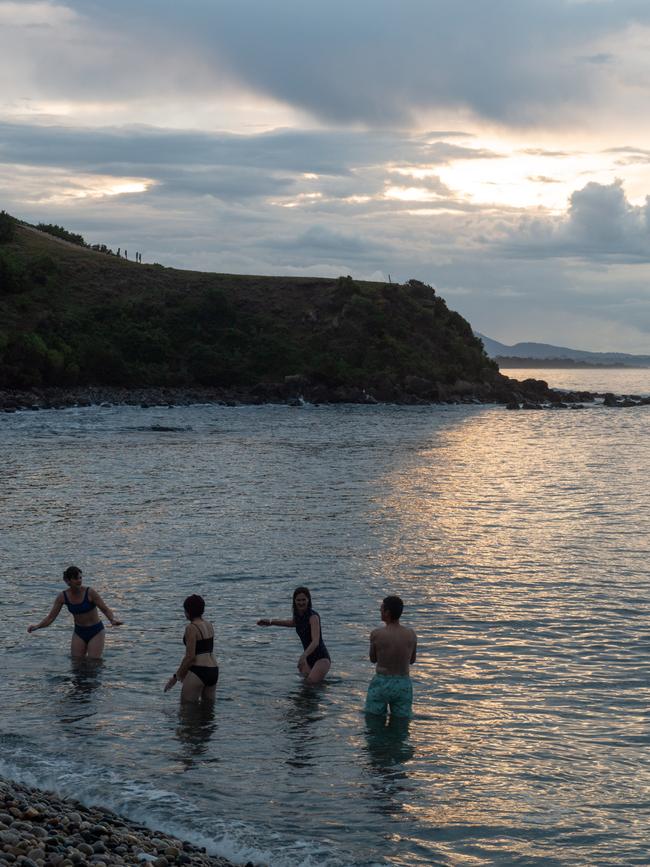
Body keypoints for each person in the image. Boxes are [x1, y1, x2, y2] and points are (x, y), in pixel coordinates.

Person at [27, 565, 122, 658]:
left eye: (80, 577)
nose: (79, 580)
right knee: (76, 663)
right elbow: (51, 618)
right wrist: (37, 626)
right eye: (76, 578)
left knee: (93, 663)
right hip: (79, 632)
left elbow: (105, 609)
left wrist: (112, 619)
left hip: (96, 631)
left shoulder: (89, 592)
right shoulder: (63, 596)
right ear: (68, 581)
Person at [257, 586, 331, 684]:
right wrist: (271, 622)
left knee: (309, 684)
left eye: (304, 600)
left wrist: (303, 656)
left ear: (308, 600)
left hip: (321, 658)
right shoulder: (299, 616)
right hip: (308, 658)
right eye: (298, 600)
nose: (301, 603)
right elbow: (291, 623)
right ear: (294, 601)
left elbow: (315, 641)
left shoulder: (313, 617)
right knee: (306, 689)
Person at [365, 595, 417, 719]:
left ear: (387, 613)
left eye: (381, 609)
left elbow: (373, 659)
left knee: (374, 721)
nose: (380, 611)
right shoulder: (411, 634)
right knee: (402, 722)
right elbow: (412, 660)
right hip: (403, 683)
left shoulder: (377, 634)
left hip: (381, 682)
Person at [164, 595, 219, 703]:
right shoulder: (209, 624)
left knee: (186, 711)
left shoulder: (191, 628)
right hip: (214, 671)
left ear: (188, 611)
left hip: (199, 671)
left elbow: (190, 657)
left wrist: (176, 677)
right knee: (208, 713)